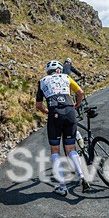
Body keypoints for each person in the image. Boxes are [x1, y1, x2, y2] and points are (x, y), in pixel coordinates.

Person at [35, 60, 89, 195]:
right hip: (70, 112)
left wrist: (48, 112)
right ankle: (82, 176)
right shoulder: (66, 77)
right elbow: (80, 93)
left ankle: (62, 186)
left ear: (48, 72)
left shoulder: (42, 81)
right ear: (59, 70)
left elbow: (39, 106)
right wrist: (76, 104)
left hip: (55, 114)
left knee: (55, 150)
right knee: (71, 148)